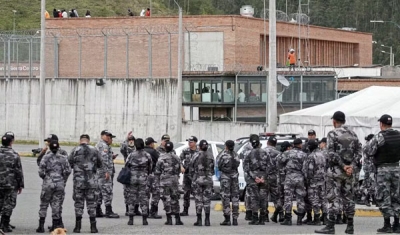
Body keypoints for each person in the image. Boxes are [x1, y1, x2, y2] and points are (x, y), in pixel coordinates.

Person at [315, 111, 361, 234]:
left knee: (333, 198)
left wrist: (343, 165)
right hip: (350, 173)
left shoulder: (332, 134)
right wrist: (350, 166)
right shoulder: (353, 134)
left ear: (334, 121)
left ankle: (330, 226)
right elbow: (359, 152)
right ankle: (350, 226)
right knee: (349, 198)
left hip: (336, 172)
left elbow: (331, 153)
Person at [365, 114, 400, 233]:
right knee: (396, 196)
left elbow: (369, 151)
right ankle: (397, 224)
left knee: (384, 196)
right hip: (396, 169)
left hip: (383, 170)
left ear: (381, 124)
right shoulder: (398, 135)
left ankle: (387, 225)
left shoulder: (380, 136)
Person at [68, 134, 102, 233]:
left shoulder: (75, 150)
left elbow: (69, 164)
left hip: (78, 181)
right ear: (88, 140)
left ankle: (78, 227)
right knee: (92, 204)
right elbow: (100, 163)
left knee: (78, 203)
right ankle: (93, 227)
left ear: (80, 140)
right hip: (91, 181)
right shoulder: (95, 150)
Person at [36, 140, 71, 233]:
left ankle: (41, 226)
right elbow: (68, 171)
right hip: (59, 183)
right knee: (56, 205)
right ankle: (55, 226)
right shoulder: (63, 158)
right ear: (58, 147)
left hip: (48, 182)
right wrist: (62, 179)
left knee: (44, 204)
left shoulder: (45, 157)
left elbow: (40, 171)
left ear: (50, 147)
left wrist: (46, 177)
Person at [279, 138, 307, 226]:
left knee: (288, 198)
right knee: (300, 198)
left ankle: (288, 218)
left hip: (289, 177)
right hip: (300, 177)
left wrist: (284, 172)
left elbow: (279, 162)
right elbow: (306, 168)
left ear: (293, 145)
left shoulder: (287, 153)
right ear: (300, 145)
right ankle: (299, 219)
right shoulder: (304, 155)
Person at [243, 136, 271, 225]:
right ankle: (262, 218)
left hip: (253, 179)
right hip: (263, 178)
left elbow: (246, 168)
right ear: (259, 143)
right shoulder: (265, 153)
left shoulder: (248, 154)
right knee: (263, 198)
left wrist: (255, 177)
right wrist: (263, 177)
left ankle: (255, 218)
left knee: (254, 198)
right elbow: (270, 166)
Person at [155, 141, 183, 225]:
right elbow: (179, 170)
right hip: (174, 181)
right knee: (175, 199)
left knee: (166, 199)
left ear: (165, 148)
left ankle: (169, 219)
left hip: (164, 181)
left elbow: (157, 171)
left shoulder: (161, 158)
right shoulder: (177, 158)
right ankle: (177, 219)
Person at [0, 135, 24, 233]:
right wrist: (20, 185)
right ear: (11, 142)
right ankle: (4, 224)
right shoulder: (14, 154)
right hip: (10, 184)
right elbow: (18, 171)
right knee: (9, 204)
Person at [126, 138, 152, 226]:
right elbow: (150, 167)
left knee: (132, 198)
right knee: (144, 198)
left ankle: (131, 219)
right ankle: (144, 219)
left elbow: (127, 165)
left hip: (132, 179)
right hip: (143, 178)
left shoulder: (131, 155)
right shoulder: (147, 155)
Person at [190, 140, 214, 226]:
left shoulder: (195, 155)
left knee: (198, 200)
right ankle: (207, 220)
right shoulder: (211, 156)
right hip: (208, 179)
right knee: (207, 200)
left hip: (198, 179)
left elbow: (191, 167)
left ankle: (199, 220)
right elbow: (213, 169)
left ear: (199, 147)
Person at [303, 139, 327, 226]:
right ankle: (325, 218)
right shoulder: (322, 154)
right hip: (322, 180)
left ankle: (317, 218)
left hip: (313, 181)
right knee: (323, 199)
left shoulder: (311, 156)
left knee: (314, 199)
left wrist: (307, 180)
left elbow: (309, 171)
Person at [96, 130, 119, 218]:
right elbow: (103, 160)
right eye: (107, 136)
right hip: (103, 173)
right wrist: (106, 171)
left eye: (110, 136)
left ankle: (97, 210)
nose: (109, 138)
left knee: (99, 191)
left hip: (99, 172)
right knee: (107, 191)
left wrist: (111, 157)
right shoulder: (104, 146)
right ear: (102, 136)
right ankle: (108, 210)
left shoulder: (100, 144)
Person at [217, 140, 240, 226]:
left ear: (226, 146)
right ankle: (235, 219)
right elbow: (237, 164)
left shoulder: (223, 155)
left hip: (225, 177)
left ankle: (227, 219)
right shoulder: (236, 155)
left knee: (225, 197)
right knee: (235, 197)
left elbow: (219, 165)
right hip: (234, 177)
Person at [120, 132, 140, 216]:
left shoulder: (137, 149)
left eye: (132, 140)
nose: (131, 141)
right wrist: (126, 139)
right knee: (127, 191)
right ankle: (128, 209)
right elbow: (122, 148)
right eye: (130, 140)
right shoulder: (126, 148)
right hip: (128, 172)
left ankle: (136, 209)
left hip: (137, 172)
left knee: (137, 191)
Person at [241, 134, 260, 221]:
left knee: (252, 194)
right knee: (250, 194)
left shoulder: (250, 148)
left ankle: (251, 212)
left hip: (254, 174)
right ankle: (249, 212)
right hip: (251, 174)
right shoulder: (247, 149)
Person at [179, 136, 199, 216]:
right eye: (189, 142)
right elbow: (179, 159)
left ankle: (198, 211)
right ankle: (185, 210)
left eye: (191, 142)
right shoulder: (185, 151)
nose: (189, 143)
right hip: (187, 175)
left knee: (197, 193)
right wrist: (181, 167)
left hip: (195, 175)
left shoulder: (199, 151)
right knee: (186, 192)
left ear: (195, 143)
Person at [264, 136, 282, 223]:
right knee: (276, 197)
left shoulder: (262, 151)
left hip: (264, 177)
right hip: (275, 177)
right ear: (275, 144)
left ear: (268, 142)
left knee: (264, 197)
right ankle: (281, 214)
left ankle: (265, 216)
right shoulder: (278, 153)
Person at [301, 129, 317, 225]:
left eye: (312, 134)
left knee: (316, 198)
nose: (311, 136)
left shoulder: (317, 145)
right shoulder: (304, 146)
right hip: (307, 175)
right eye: (309, 134)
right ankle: (309, 216)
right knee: (307, 198)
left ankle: (318, 217)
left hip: (315, 175)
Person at [144, 137, 162, 219]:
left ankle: (146, 211)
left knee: (146, 194)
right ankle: (153, 212)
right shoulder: (153, 152)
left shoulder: (142, 151)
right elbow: (160, 160)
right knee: (155, 194)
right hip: (153, 174)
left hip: (144, 175)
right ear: (151, 144)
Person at [275, 141, 292, 223]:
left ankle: (277, 214)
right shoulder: (288, 155)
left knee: (280, 198)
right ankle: (285, 215)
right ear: (288, 148)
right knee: (287, 198)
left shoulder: (278, 156)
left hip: (279, 179)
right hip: (286, 179)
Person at [361, 134, 376, 207]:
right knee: (369, 182)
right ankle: (366, 198)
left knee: (368, 182)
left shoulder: (366, 145)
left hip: (368, 166)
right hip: (369, 166)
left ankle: (369, 197)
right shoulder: (368, 146)